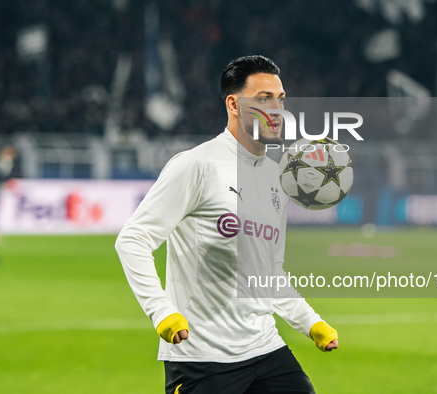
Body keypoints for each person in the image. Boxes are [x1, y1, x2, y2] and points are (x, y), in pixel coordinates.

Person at [115, 55, 338, 394]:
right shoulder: (195, 165)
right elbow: (133, 240)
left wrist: (310, 322)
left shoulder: (277, 178)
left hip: (265, 349)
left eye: (280, 99)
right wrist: (161, 312)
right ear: (234, 104)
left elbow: (269, 271)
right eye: (264, 99)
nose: (277, 109)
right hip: (202, 358)